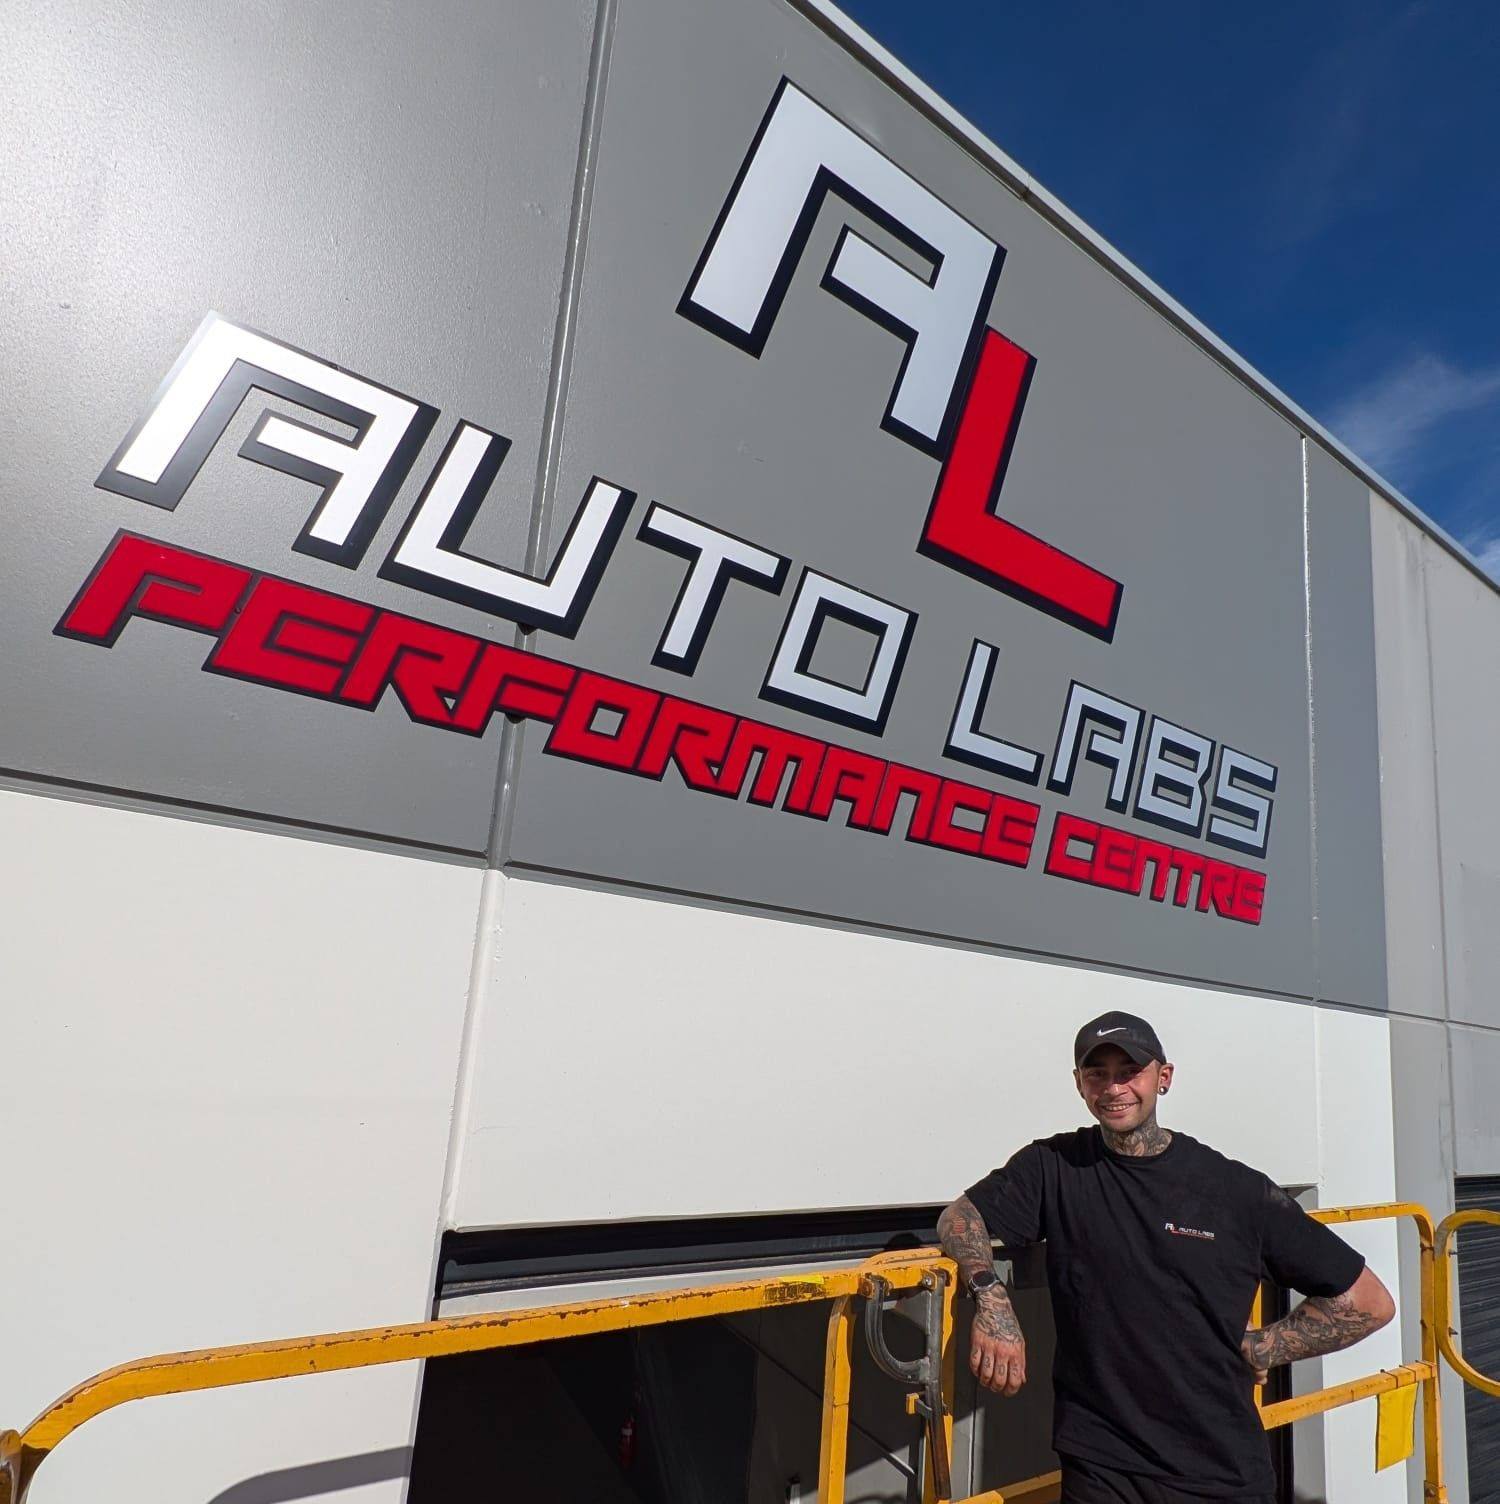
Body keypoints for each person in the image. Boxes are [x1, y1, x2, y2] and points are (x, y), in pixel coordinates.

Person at [938, 1010, 1395, 1503]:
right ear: (1079, 1085)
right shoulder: (1055, 1167)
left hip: (1216, 1473)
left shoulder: (1235, 1191)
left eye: (1129, 1071)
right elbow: (960, 1217)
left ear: (1164, 1077)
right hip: (1100, 1465)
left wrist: (1265, 1347)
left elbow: (1370, 1302)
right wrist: (993, 1299)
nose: (1114, 1088)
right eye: (1098, 1074)